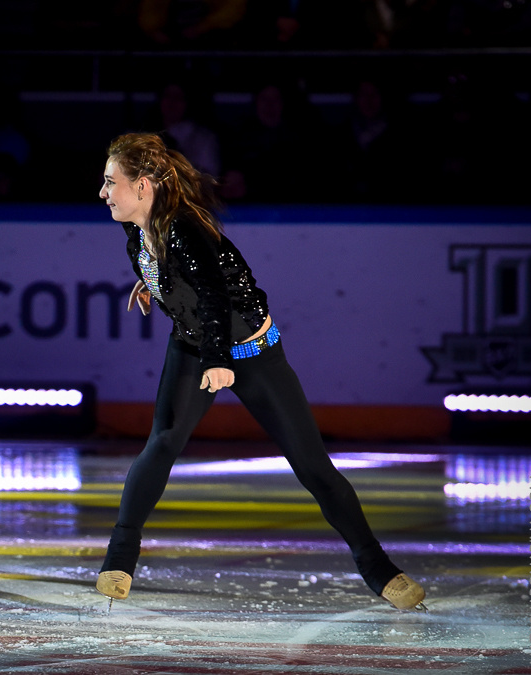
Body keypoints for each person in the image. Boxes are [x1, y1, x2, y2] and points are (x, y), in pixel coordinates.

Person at [95, 132, 427, 611]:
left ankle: (380, 569)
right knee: (164, 440)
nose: (103, 193)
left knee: (313, 468)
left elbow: (215, 295)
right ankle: (118, 561)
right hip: (193, 344)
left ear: (142, 186)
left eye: (111, 182)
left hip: (251, 352)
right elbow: (184, 284)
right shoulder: (136, 232)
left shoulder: (186, 229)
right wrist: (154, 285)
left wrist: (218, 360)